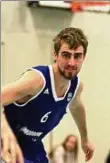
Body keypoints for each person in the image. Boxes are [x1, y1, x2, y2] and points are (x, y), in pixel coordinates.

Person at [1, 27, 94, 163]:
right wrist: (4, 130)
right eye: (66, 55)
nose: (71, 63)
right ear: (55, 55)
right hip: (6, 140)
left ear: (84, 57)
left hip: (31, 146)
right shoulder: (37, 80)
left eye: (77, 56)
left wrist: (85, 139)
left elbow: (77, 107)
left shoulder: (76, 87)